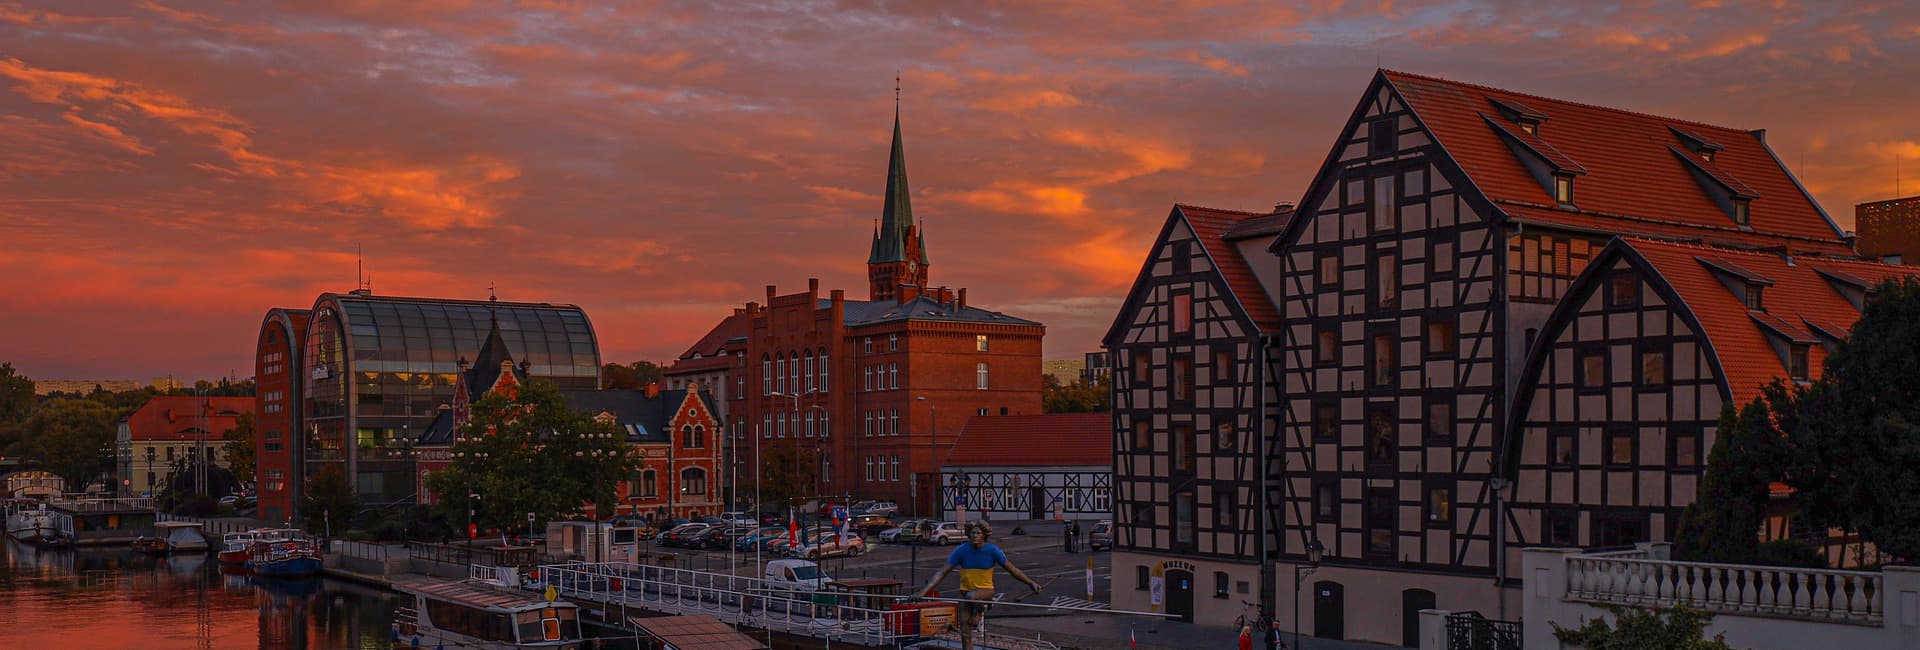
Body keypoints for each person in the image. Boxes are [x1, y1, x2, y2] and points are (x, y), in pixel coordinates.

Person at [915, 520, 1041, 650]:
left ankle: (981, 609)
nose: (975, 535)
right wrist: (923, 592)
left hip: (985, 591)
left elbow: (1013, 570)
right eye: (973, 533)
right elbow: (941, 572)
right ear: (969, 534)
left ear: (984, 535)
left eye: (978, 533)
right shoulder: (961, 551)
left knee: (971, 597)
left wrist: (1030, 582)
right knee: (965, 629)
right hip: (965, 593)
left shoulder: (992, 550)